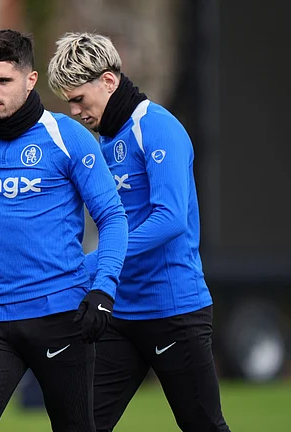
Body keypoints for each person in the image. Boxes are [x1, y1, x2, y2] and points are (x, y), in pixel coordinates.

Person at [47, 32, 230, 432]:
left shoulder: (158, 127)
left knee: (204, 425)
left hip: (175, 310)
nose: (75, 111)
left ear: (108, 81)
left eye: (79, 99)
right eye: (69, 102)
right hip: (119, 313)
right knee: (79, 423)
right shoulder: (104, 139)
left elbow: (170, 219)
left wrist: (96, 262)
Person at [0, 29, 128, 432]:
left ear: (30, 81)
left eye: (2, 81)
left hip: (60, 315)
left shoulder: (69, 138)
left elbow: (114, 218)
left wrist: (103, 288)